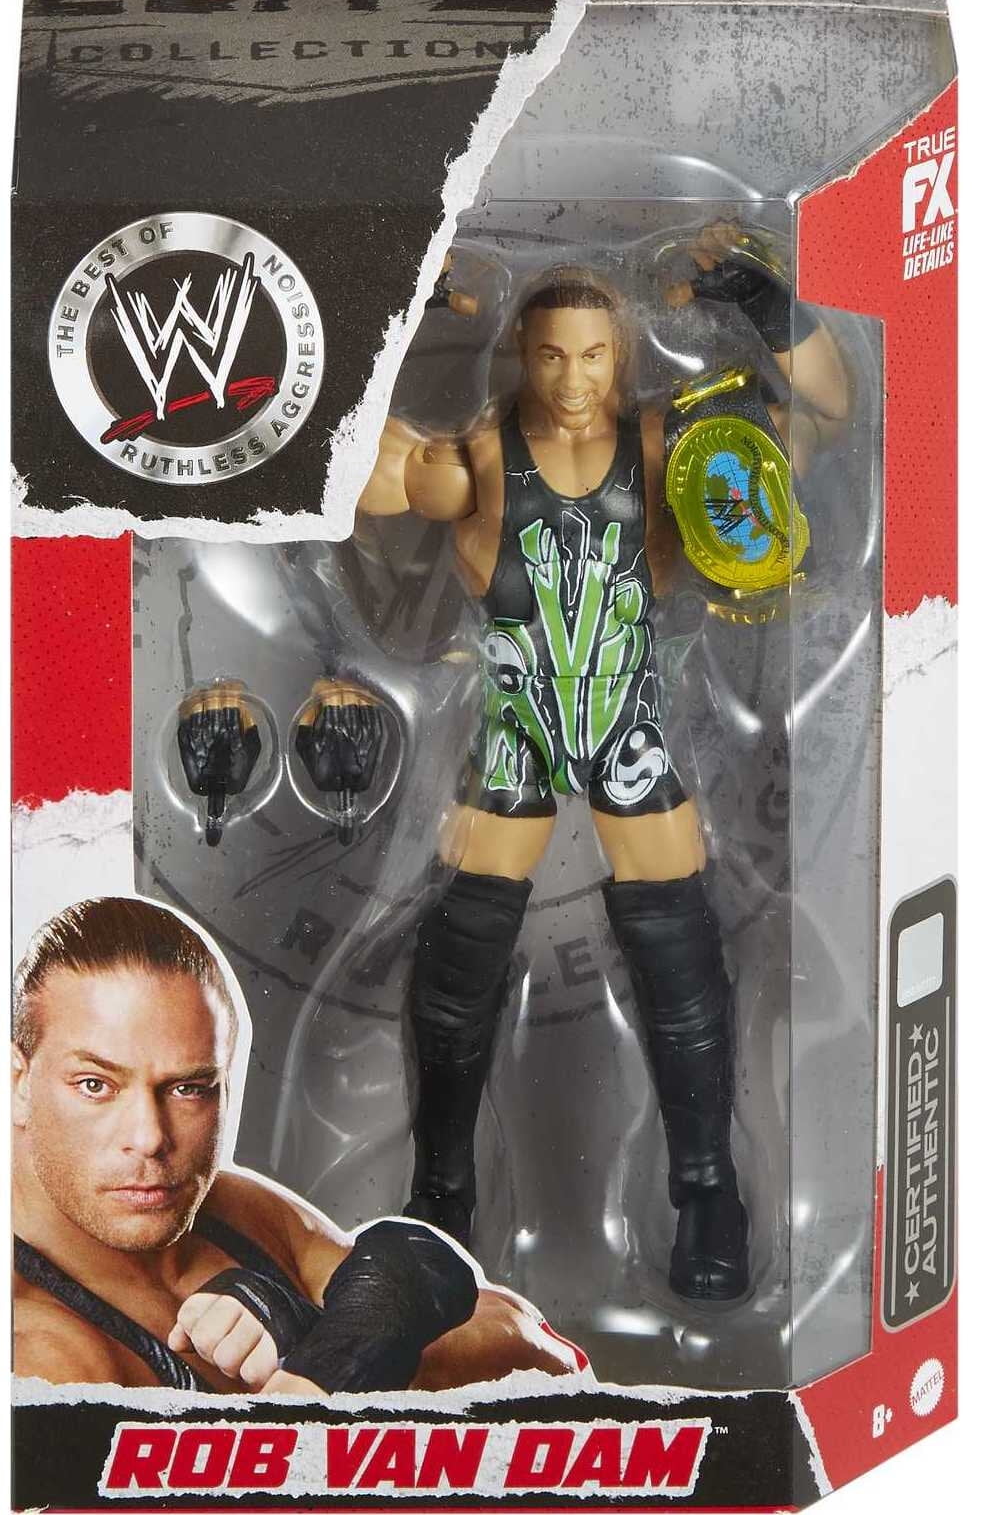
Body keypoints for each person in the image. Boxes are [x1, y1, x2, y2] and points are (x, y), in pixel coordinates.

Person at [345, 221, 850, 1300]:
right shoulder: (474, 460)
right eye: (549, 355)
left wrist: (770, 307)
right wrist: (384, 311)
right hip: (518, 730)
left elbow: (821, 418)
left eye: (591, 355)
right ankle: (441, 1195)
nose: (572, 380)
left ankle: (709, 1191)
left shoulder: (669, 446)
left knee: (679, 949)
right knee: (461, 951)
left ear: (618, 355)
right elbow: (334, 459)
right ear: (521, 355)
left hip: (630, 724)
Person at [13, 896, 579, 1392]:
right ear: (16, 1082)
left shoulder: (235, 1211)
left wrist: (338, 1352)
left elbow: (553, 1358)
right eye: (95, 1085)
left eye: (187, 1089)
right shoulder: (32, 1352)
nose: (149, 1138)